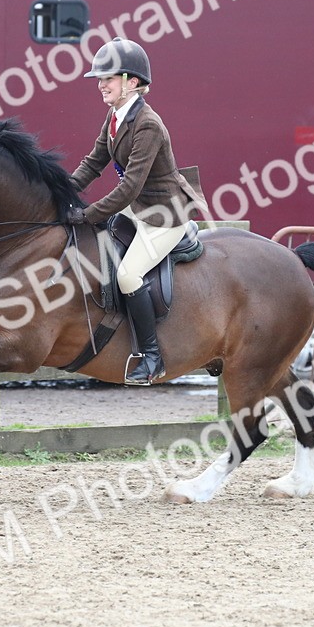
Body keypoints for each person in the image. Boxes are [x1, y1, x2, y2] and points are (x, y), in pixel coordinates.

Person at [66, 37, 207, 384]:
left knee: (128, 275)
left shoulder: (148, 125)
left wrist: (88, 214)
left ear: (132, 82)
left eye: (108, 79)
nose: (100, 85)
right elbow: (93, 163)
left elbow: (129, 186)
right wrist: (61, 193)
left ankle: (152, 356)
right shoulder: (114, 117)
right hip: (137, 208)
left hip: (164, 216)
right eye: (100, 79)